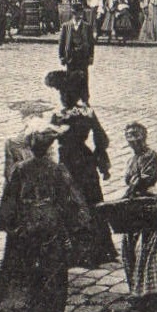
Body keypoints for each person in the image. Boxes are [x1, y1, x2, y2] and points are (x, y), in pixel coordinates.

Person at [0, 127, 90, 312]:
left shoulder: (21, 170)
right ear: (49, 148)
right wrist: (78, 224)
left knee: (26, 271)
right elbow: (70, 199)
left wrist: (8, 225)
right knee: (53, 271)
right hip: (50, 227)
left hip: (27, 228)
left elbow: (9, 199)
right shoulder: (57, 170)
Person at [45, 70, 116, 266]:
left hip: (67, 162)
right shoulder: (87, 112)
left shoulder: (59, 116)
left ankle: (75, 250)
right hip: (85, 160)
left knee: (70, 204)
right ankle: (100, 248)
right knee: (93, 201)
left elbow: (48, 140)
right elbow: (101, 138)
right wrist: (100, 159)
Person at [113, 122, 157, 312]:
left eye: (136, 135)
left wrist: (131, 190)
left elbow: (146, 178)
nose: (132, 139)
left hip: (150, 202)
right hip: (136, 203)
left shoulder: (150, 155)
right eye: (129, 136)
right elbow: (131, 180)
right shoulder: (131, 160)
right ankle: (139, 289)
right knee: (131, 245)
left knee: (152, 247)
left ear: (144, 136)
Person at [58, 0, 95, 100]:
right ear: (73, 14)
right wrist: (61, 56)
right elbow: (62, 42)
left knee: (84, 77)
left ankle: (84, 98)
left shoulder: (87, 26)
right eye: (78, 13)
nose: (80, 15)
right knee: (70, 77)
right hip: (70, 56)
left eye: (81, 13)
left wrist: (91, 56)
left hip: (83, 56)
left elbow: (91, 43)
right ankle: (71, 98)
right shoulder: (66, 26)